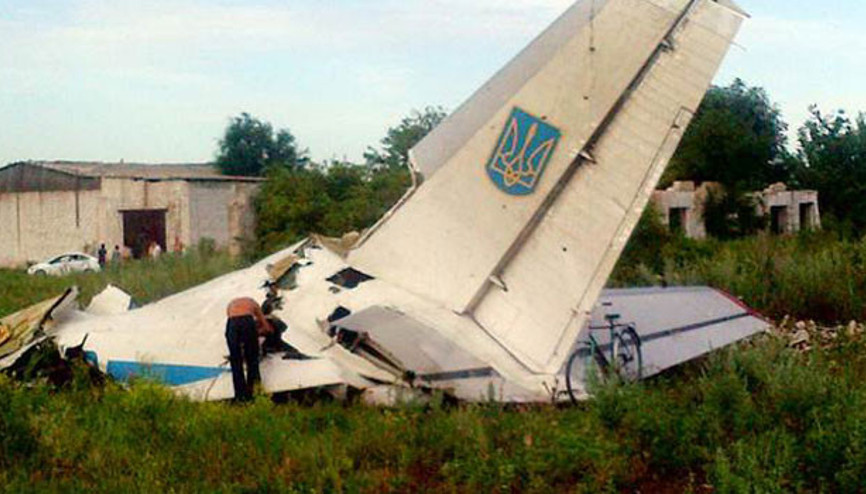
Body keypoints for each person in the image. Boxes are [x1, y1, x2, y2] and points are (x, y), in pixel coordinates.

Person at [225, 297, 273, 402]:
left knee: (236, 360)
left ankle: (240, 395)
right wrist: (264, 330)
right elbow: (264, 324)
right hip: (246, 321)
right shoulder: (253, 303)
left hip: (232, 323)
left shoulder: (231, 304)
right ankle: (255, 392)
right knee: (252, 358)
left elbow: (232, 321)